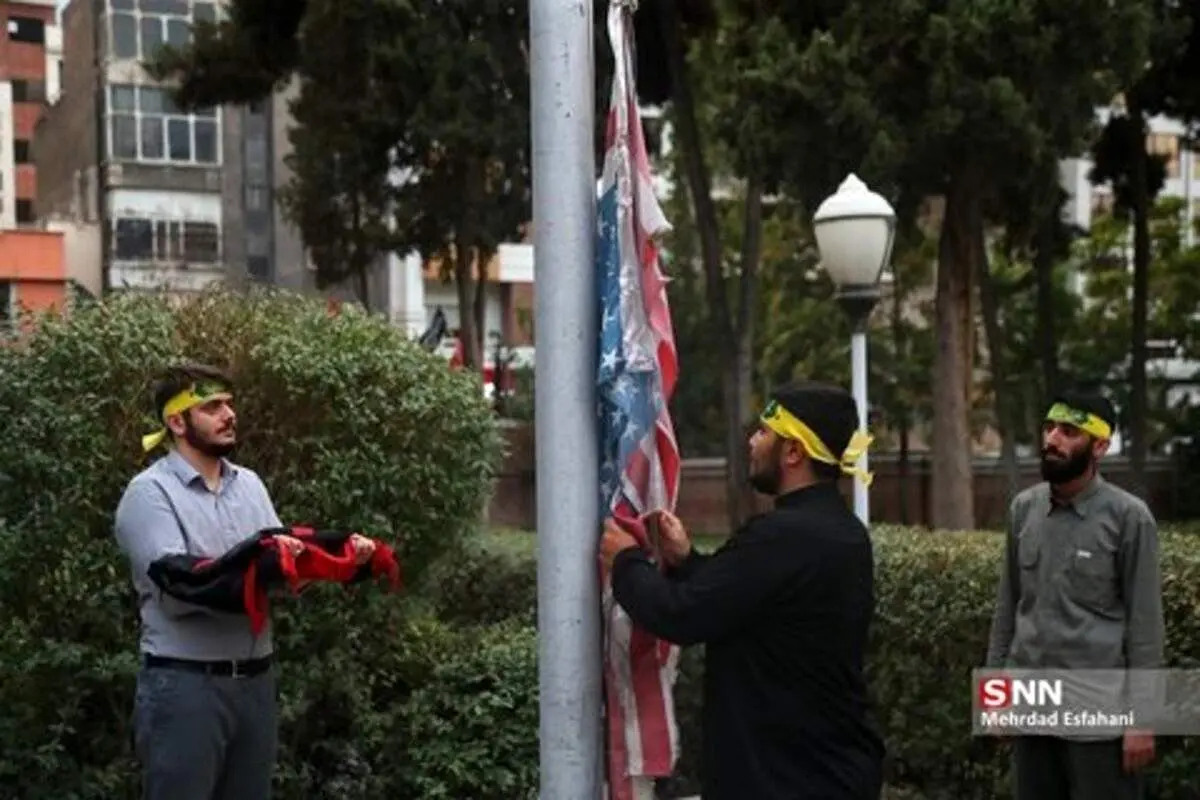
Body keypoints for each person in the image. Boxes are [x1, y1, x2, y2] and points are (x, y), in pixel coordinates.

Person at [600, 380, 886, 799]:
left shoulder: (783, 536)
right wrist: (688, 561)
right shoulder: (843, 532)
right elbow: (748, 603)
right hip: (831, 774)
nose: (752, 442)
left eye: (764, 432)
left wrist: (625, 561)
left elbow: (682, 615)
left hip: (787, 781)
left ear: (793, 452)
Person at [114, 363, 378, 800]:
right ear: (176, 421)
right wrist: (267, 569)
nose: (229, 415)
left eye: (229, 404)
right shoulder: (149, 494)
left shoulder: (250, 485)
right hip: (186, 687)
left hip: (256, 684)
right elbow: (183, 590)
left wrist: (338, 561)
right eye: (212, 406)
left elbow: (281, 568)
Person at [985, 390, 1165, 800]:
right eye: (1049, 428)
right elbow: (1008, 609)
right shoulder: (1023, 510)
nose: (1052, 440)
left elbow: (1145, 627)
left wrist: (1142, 718)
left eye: (1069, 431)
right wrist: (993, 695)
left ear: (1099, 446)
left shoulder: (1129, 518)